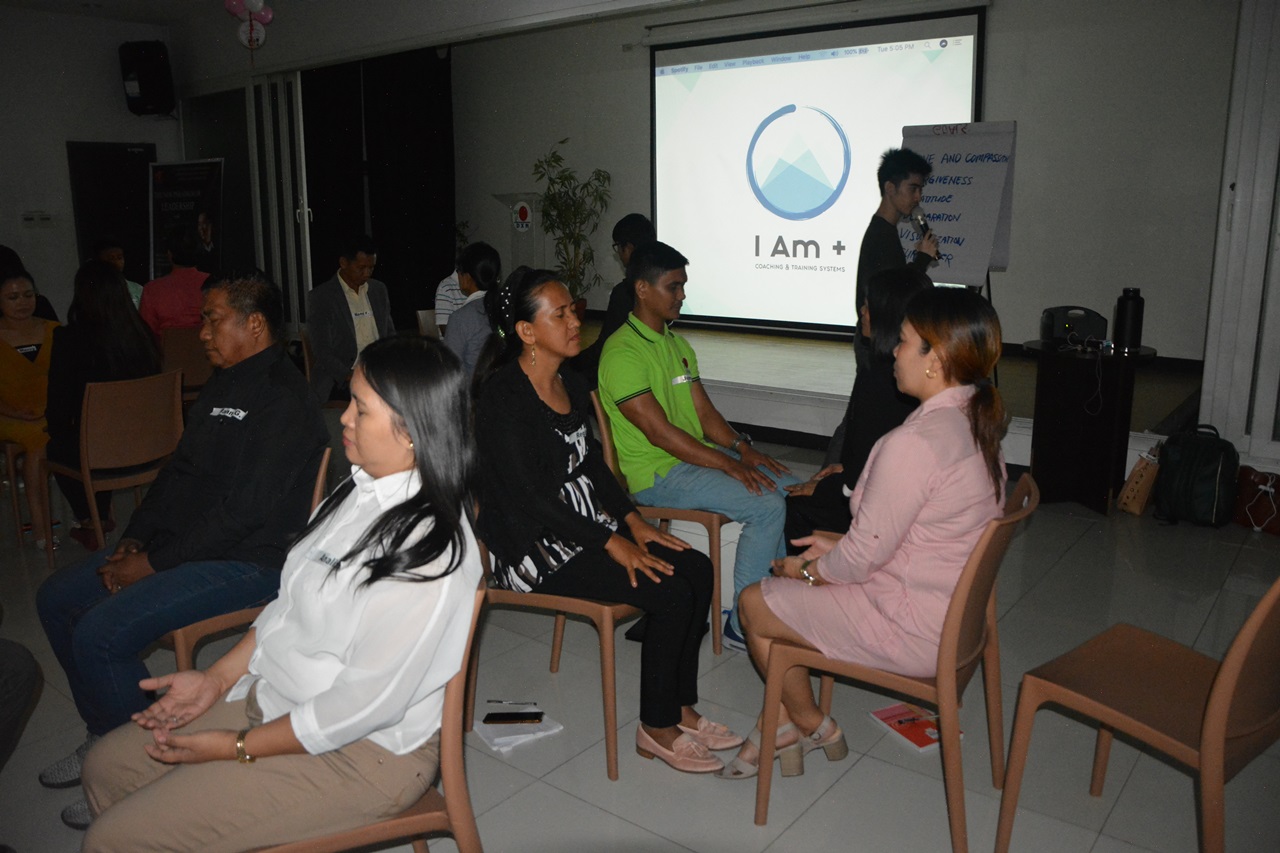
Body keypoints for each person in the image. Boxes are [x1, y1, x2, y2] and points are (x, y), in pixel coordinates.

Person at [78, 336, 483, 850]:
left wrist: (235, 746)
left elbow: (359, 707)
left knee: (114, 839)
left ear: (412, 432)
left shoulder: (431, 551)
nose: (344, 418)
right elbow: (287, 606)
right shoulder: (357, 489)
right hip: (275, 697)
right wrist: (215, 679)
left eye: (361, 409)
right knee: (105, 768)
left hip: (360, 753)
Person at [36, 273, 328, 828]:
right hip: (189, 546)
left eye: (212, 320)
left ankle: (142, 772)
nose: (202, 334)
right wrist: (137, 536)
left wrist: (149, 565)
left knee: (101, 634)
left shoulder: (285, 400)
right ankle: (106, 737)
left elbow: (244, 514)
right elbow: (179, 472)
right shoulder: (222, 385)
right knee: (56, 598)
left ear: (255, 324)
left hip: (252, 561)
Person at [719, 286, 1007, 780]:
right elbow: (916, 537)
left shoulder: (916, 443)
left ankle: (812, 724)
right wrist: (837, 550)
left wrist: (806, 571)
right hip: (952, 615)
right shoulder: (975, 426)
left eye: (905, 341)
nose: (893, 350)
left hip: (912, 625)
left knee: (755, 603)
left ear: (935, 360)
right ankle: (783, 723)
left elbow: (860, 562)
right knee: (797, 587)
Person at [474, 268, 739, 774]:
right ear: (527, 331)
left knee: (697, 568)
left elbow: (592, 464)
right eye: (560, 315)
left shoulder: (569, 382)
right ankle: (655, 728)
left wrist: (633, 522)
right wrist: (612, 543)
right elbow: (530, 498)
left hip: (584, 529)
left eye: (573, 310)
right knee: (669, 592)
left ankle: (679, 706)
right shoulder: (503, 398)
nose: (576, 321)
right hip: (535, 549)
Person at [597, 241, 800, 651]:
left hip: (689, 460)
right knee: (766, 505)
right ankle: (744, 623)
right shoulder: (621, 353)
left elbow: (705, 415)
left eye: (683, 286)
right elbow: (660, 434)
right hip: (656, 474)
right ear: (642, 289)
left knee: (791, 487)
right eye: (673, 287)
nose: (682, 295)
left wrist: (741, 449)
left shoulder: (677, 345)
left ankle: (778, 602)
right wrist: (727, 465)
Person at [784, 268, 933, 547]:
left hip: (878, 509)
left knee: (794, 506)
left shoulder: (882, 378)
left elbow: (864, 477)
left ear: (887, 314)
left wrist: (828, 486)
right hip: (893, 496)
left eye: (867, 305)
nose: (861, 312)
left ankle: (806, 573)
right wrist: (844, 469)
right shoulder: (920, 377)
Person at [46, 260, 162, 550]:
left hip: (100, 451)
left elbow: (58, 410)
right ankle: (97, 516)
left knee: (58, 445)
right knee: (93, 435)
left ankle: (90, 520)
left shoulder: (69, 339)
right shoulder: (142, 335)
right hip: (150, 446)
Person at [0, 269, 57, 551]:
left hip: (50, 412)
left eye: (27, 295)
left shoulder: (54, 330)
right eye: (12, 298)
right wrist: (15, 413)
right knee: (39, 438)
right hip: (7, 415)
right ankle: (39, 525)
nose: (22, 302)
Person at [571, 212, 655, 387]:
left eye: (617, 247)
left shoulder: (625, 293)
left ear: (628, 248)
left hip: (625, 373)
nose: (618, 254)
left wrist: (569, 364)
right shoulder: (661, 288)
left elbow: (605, 348)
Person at [307, 235, 395, 401]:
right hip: (340, 379)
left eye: (371, 268)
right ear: (343, 263)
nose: (367, 273)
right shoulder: (323, 297)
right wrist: (351, 375)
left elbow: (389, 336)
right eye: (361, 268)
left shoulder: (378, 290)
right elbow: (322, 351)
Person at [138, 227, 209, 340]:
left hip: (165, 350)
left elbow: (146, 335)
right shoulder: (215, 284)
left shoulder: (152, 290)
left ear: (169, 254)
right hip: (210, 349)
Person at [441, 241, 502, 375]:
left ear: (467, 277)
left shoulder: (461, 317)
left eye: (459, 271)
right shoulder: (505, 307)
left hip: (474, 387)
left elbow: (449, 370)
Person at [90, 238, 144, 307]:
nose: (116, 262)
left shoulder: (136, 289)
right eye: (111, 258)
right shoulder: (93, 289)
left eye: (119, 258)